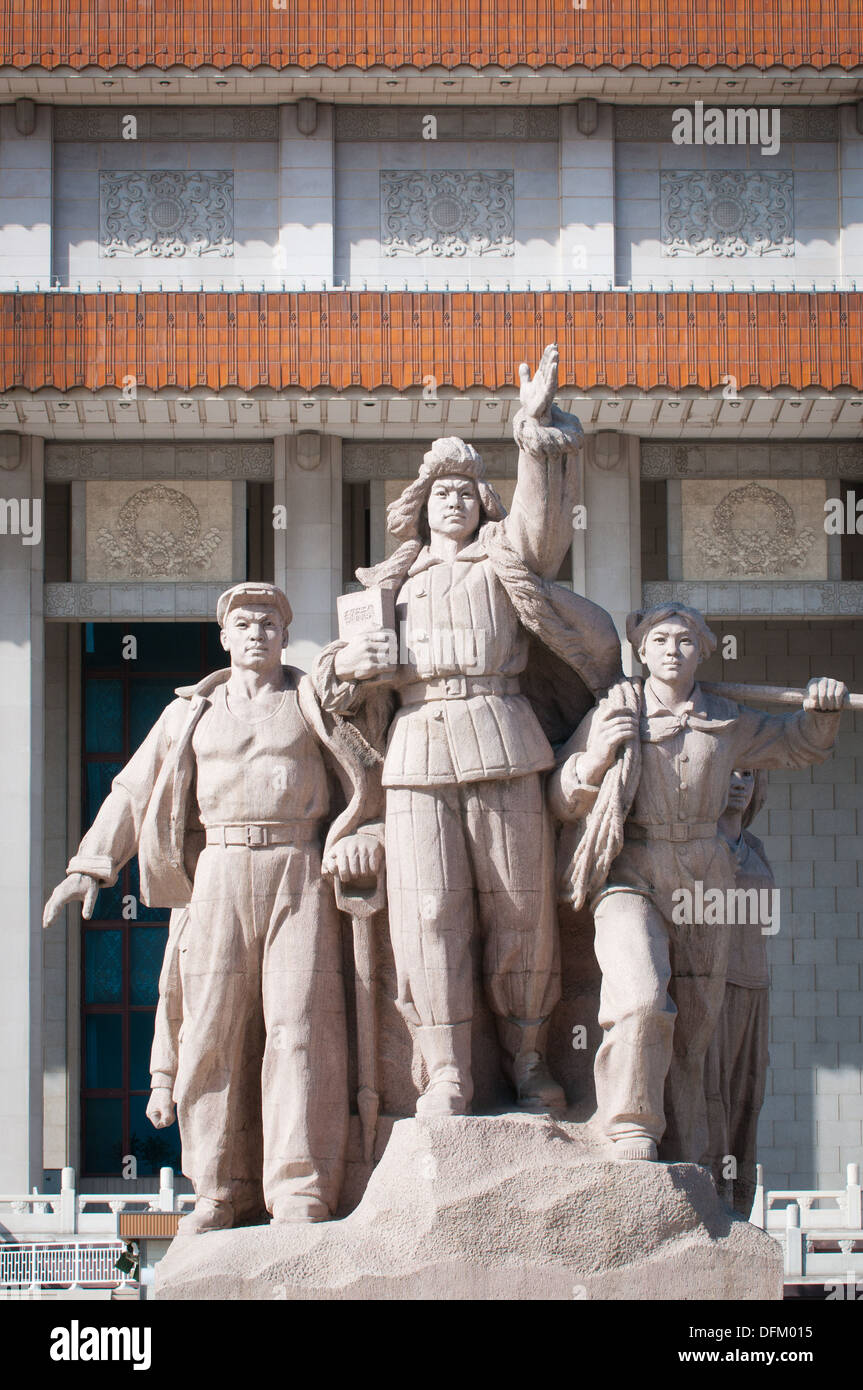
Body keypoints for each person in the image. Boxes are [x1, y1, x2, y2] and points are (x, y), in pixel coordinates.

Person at [313, 345, 621, 1115]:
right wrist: (355, 664)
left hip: (502, 736)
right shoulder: (385, 587)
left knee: (518, 908)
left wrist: (533, 423)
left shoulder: (504, 561)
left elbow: (542, 523)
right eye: (437, 492)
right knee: (428, 916)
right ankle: (444, 1068)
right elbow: (329, 687)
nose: (451, 501)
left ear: (483, 503)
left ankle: (525, 1057)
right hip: (416, 754)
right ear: (415, 508)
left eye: (464, 491)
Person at [44, 582, 384, 1233]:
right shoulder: (188, 714)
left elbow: (369, 771)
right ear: (224, 637)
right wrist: (90, 865)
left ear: (285, 636)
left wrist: (365, 835)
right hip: (218, 872)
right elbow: (132, 790)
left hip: (299, 869)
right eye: (244, 623)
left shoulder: (312, 702)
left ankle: (300, 1188)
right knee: (209, 1035)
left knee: (300, 1031)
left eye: (269, 623)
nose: (256, 632)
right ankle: (218, 1189)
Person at [549, 602, 845, 1163]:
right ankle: (630, 1123)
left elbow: (798, 744)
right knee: (639, 999)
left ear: (702, 652)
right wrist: (594, 759)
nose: (672, 650)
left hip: (706, 877)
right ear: (641, 651)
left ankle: (689, 1149)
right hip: (632, 868)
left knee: (698, 1025)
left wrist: (821, 710)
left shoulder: (728, 720)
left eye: (685, 641)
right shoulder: (615, 710)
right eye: (660, 639)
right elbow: (562, 800)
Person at [703, 768, 772, 1217]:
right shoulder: (703, 845)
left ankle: (740, 1202)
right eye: (729, 771)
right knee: (715, 1095)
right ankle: (713, 1197)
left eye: (748, 774)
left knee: (749, 1092)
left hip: (756, 985)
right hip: (714, 985)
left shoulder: (758, 850)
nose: (739, 782)